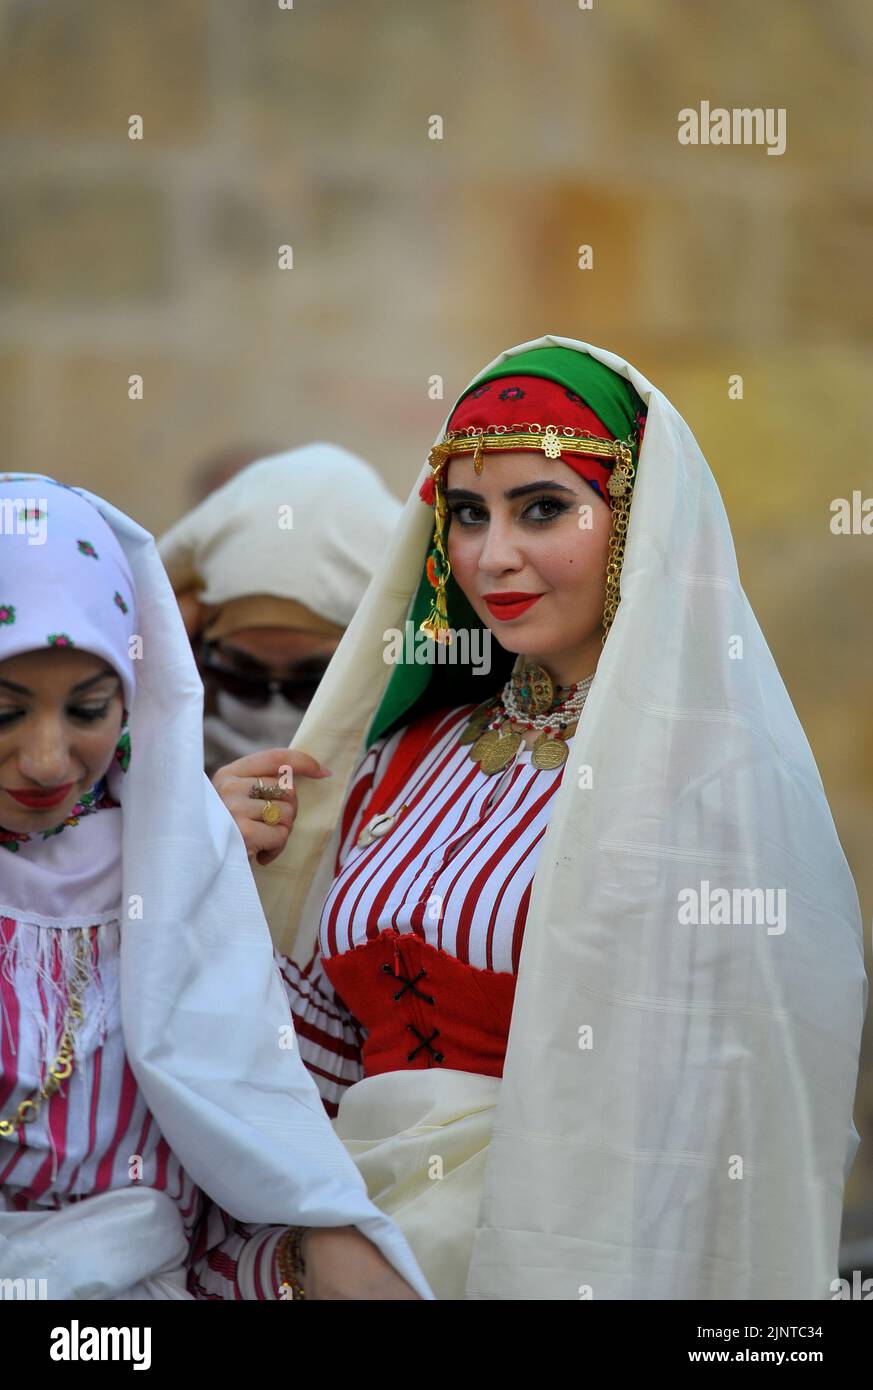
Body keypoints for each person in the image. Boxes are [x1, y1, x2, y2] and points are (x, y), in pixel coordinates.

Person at [218, 336, 867, 1301]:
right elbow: (308, 1040)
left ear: (635, 521)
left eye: (543, 509)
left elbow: (724, 1115)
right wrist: (205, 868)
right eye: (469, 515)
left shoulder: (708, 789)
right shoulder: (406, 754)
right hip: (335, 1235)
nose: (494, 556)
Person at [0, 473, 430, 1300]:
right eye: (3, 711)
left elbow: (265, 1138)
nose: (47, 760)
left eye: (89, 709)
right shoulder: (191, 839)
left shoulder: (177, 853)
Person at [157, 444, 401, 788]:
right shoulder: (133, 775)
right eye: (242, 678)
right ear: (199, 649)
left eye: (313, 685)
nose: (275, 716)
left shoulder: (430, 786)